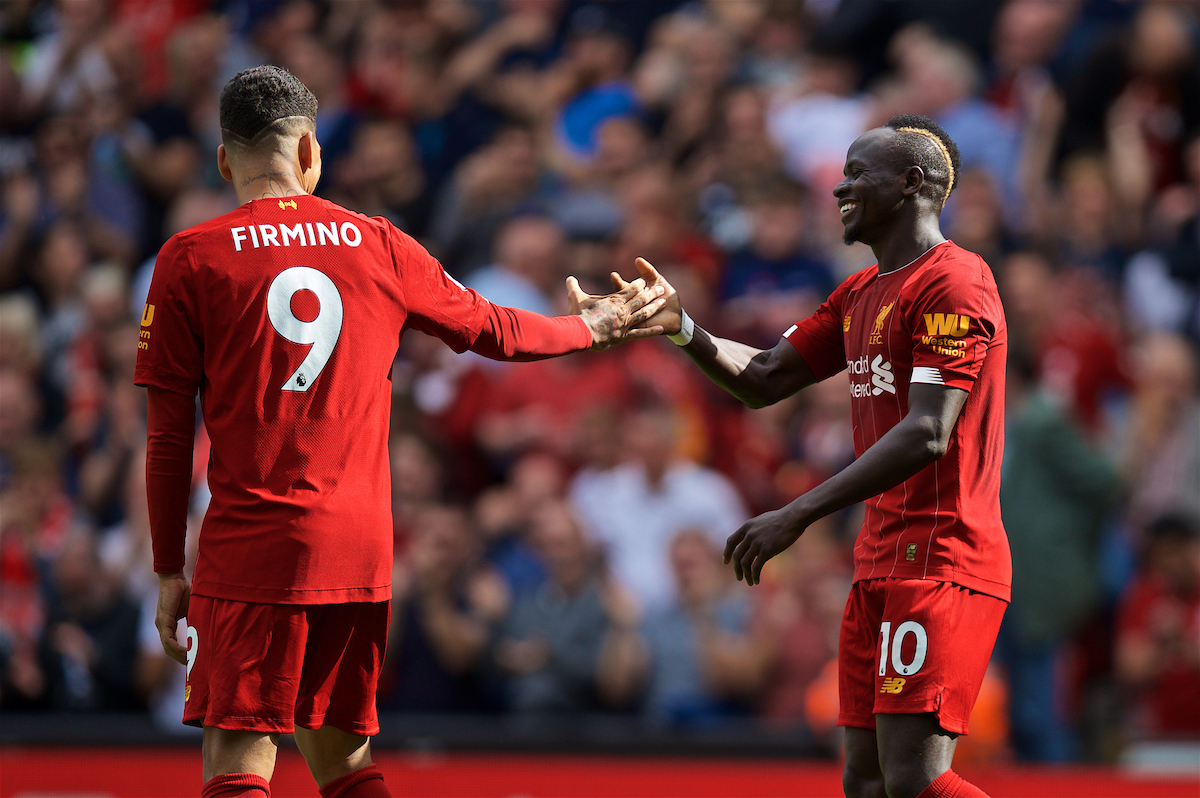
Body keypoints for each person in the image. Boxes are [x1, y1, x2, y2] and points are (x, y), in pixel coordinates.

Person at [136, 66, 664, 798]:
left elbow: (166, 438)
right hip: (357, 548)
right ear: (312, 154)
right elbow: (498, 329)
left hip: (252, 545)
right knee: (345, 762)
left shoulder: (191, 257)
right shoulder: (379, 244)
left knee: (238, 758)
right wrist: (596, 324)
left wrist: (168, 569)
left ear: (224, 160)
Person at [629, 114, 1009, 798]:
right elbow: (765, 377)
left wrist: (796, 513)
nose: (840, 187)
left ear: (912, 183)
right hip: (878, 562)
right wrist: (680, 327)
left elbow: (929, 432)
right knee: (863, 782)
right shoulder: (860, 294)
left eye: (859, 173)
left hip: (942, 557)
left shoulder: (955, 282)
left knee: (915, 782)